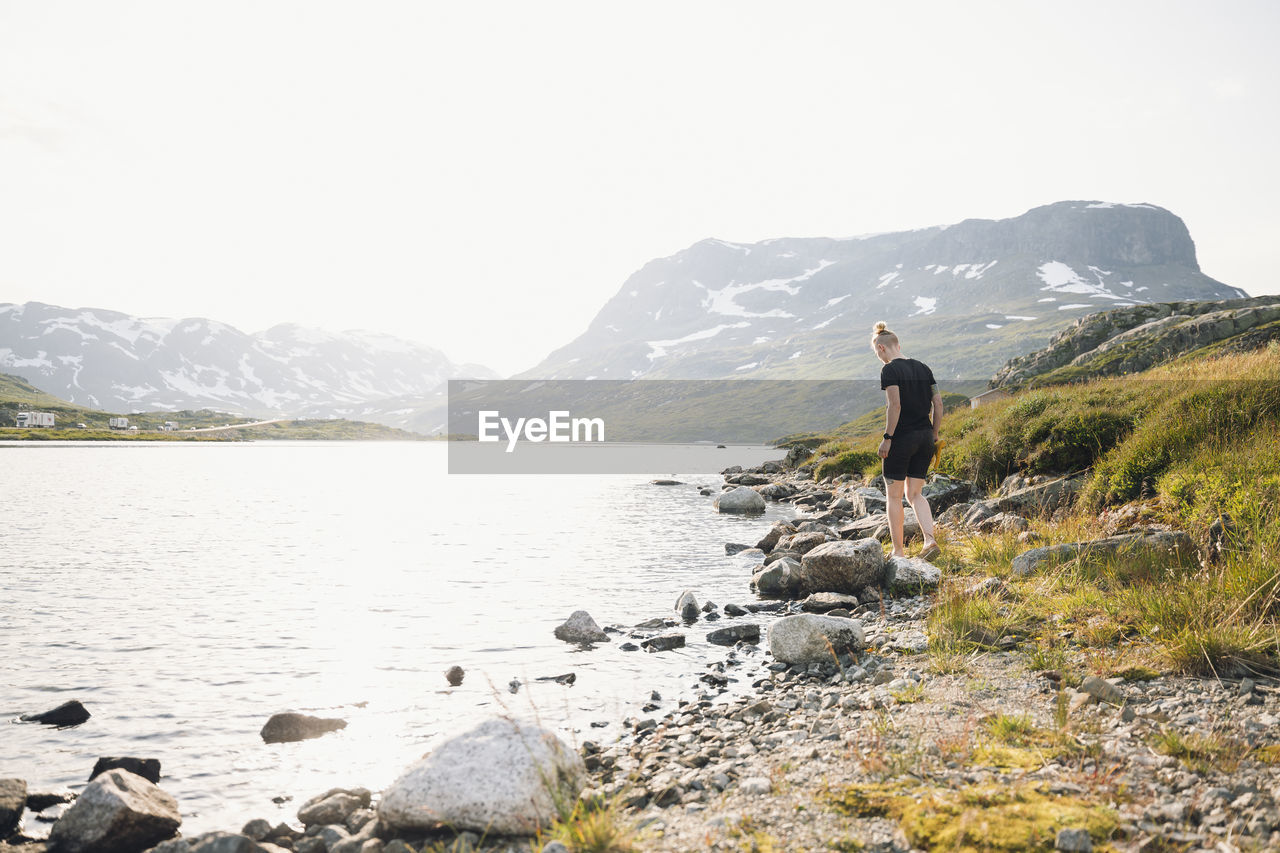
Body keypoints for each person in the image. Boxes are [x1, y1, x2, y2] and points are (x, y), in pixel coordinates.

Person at [870, 321, 942, 560]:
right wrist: (934, 434)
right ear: (898, 344)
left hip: (901, 439)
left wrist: (887, 438)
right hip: (925, 438)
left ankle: (898, 551)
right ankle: (929, 541)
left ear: (882, 348)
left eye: (877, 354)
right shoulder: (924, 368)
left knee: (894, 496)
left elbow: (895, 405)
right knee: (915, 495)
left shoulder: (889, 370)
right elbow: (938, 404)